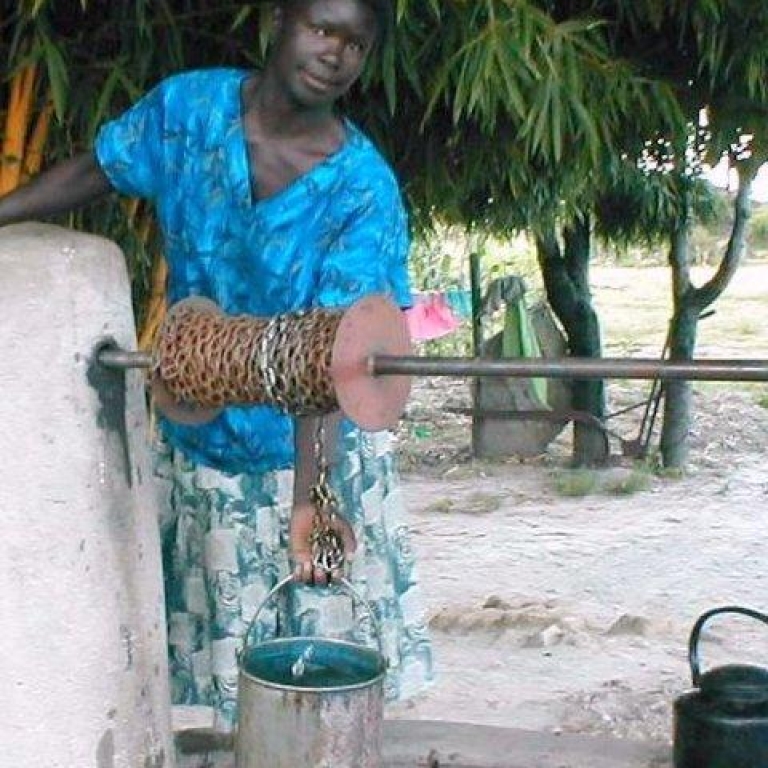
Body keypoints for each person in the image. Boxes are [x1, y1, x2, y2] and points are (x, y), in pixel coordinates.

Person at [0, 0, 433, 734]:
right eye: (321, 29)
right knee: (228, 684)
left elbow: (332, 358)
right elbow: (99, 169)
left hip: (304, 453)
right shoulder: (189, 111)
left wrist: (312, 499)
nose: (335, 53)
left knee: (310, 682)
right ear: (276, 24)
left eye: (355, 44)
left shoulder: (362, 189)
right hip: (198, 437)